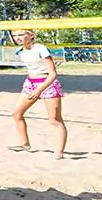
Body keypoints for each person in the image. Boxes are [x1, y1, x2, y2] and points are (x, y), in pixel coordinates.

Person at [10, 29, 68, 158]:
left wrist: (39, 89)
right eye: (14, 36)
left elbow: (53, 74)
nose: (17, 38)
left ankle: (59, 151)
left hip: (47, 83)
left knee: (55, 120)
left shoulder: (41, 48)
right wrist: (33, 87)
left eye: (20, 35)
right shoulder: (20, 50)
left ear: (31, 35)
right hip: (30, 83)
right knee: (17, 113)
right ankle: (24, 143)